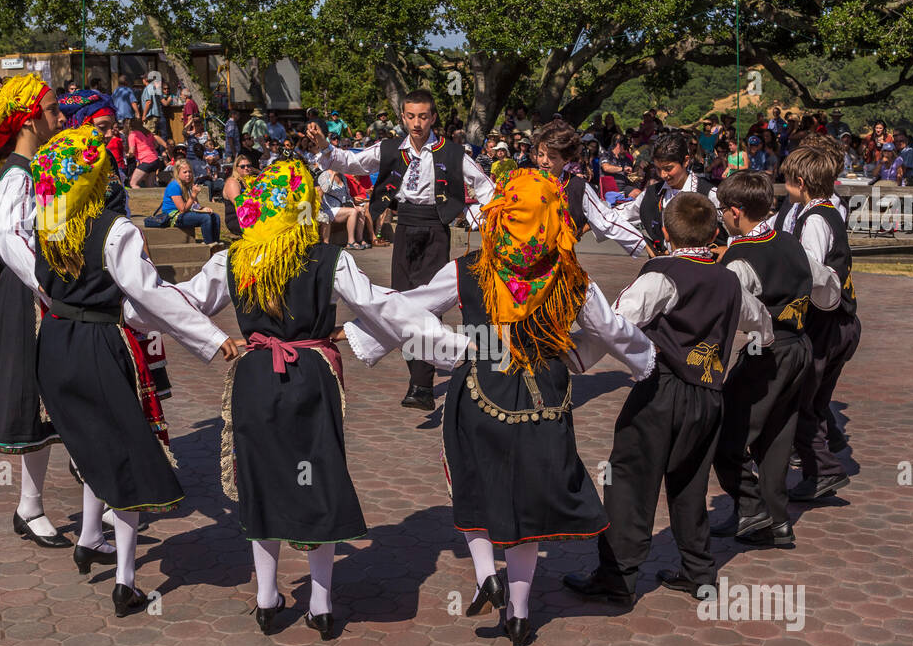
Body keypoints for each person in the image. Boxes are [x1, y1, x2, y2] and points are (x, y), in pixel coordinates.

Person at [346, 168, 654, 646]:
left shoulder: (470, 268)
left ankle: (487, 573)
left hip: (480, 389)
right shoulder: (573, 277)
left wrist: (412, 342)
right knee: (528, 497)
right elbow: (613, 330)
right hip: (545, 395)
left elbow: (413, 305)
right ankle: (520, 612)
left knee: (473, 480)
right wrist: (643, 361)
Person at [180, 157, 461, 637]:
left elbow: (182, 300)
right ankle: (323, 603)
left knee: (262, 481)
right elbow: (385, 306)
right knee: (316, 479)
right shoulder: (328, 258)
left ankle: (267, 599)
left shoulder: (231, 258)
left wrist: (136, 305)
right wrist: (458, 349)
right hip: (310, 375)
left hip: (255, 377)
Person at [28, 125, 241, 616]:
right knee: (126, 453)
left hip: (56, 341)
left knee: (90, 442)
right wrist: (213, 337)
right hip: (99, 343)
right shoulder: (115, 229)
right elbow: (150, 296)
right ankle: (124, 580)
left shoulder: (49, 220)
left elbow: (39, 281)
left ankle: (87, 538)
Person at [563, 190, 771, 605]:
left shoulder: (661, 276)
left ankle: (618, 576)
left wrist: (575, 356)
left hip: (662, 389)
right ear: (714, 232)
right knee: (690, 482)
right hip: (709, 395)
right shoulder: (729, 281)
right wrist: (755, 351)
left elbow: (615, 325)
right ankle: (699, 571)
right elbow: (761, 323)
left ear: (664, 231)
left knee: (628, 482)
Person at [307, 87, 496, 412]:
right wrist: (325, 145)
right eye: (411, 116)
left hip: (436, 229)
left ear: (433, 117)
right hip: (405, 228)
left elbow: (485, 186)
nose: (417, 123)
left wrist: (471, 215)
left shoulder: (452, 153)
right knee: (401, 300)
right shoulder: (391, 147)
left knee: (427, 303)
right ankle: (419, 377)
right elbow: (353, 162)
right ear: (403, 117)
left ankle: (421, 383)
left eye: (423, 116)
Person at [0, 74, 74, 549]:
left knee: (58, 395)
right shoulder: (16, 176)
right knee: (32, 397)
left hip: (40, 294)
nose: (59, 118)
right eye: (51, 111)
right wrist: (49, 289)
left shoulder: (33, 171)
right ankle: (30, 505)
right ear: (28, 118)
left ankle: (82, 501)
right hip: (27, 297)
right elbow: (10, 240)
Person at [707, 169, 834, 548]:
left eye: (722, 214)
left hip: (767, 351)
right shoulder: (791, 241)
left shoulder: (739, 259)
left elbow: (727, 316)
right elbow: (827, 287)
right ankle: (777, 521)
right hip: (799, 346)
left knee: (724, 433)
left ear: (734, 211)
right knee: (779, 435)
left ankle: (751, 508)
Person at [782, 145, 861, 503]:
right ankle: (829, 449)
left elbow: (810, 271)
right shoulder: (825, 211)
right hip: (839, 321)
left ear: (800, 182)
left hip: (825, 324)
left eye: (786, 181)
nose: (783, 188)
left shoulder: (814, 220)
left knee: (801, 401)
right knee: (813, 400)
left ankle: (823, 470)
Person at [512, 119, 651, 258]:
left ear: (566, 159)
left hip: (560, 261)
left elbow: (606, 219)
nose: (544, 161)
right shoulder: (524, 181)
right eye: (540, 155)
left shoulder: (577, 186)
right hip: (522, 259)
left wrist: (644, 245)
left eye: (552, 157)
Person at [620, 132, 723, 253]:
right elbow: (616, 218)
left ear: (685, 161)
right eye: (658, 169)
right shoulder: (651, 194)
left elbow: (741, 228)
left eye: (668, 168)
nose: (663, 175)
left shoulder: (709, 194)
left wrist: (726, 250)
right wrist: (642, 242)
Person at [160, 160, 220, 245]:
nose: (188, 174)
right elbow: (182, 209)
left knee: (214, 216)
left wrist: (203, 209)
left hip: (186, 213)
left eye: (190, 172)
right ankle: (209, 244)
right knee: (205, 218)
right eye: (185, 172)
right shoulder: (174, 185)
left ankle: (216, 242)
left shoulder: (188, 185)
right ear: (178, 173)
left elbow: (195, 206)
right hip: (173, 217)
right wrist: (194, 194)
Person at [317, 167, 371, 248]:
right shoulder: (324, 175)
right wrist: (333, 175)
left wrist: (353, 203)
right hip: (329, 209)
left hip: (341, 208)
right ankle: (351, 242)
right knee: (352, 212)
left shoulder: (343, 177)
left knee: (361, 210)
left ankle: (359, 239)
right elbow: (325, 190)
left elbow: (347, 195)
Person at [222, 151, 259, 237]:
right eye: (242, 166)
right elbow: (239, 204)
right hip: (236, 219)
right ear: (236, 168)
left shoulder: (250, 182)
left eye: (248, 166)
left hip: (251, 216)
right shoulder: (232, 182)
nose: (246, 168)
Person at [127, 119, 169, 188]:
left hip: (147, 160)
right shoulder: (148, 133)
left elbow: (131, 151)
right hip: (155, 160)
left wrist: (126, 155)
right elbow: (156, 145)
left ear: (130, 126)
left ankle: (139, 199)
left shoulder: (133, 135)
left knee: (133, 183)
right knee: (150, 186)